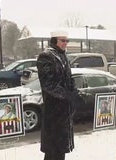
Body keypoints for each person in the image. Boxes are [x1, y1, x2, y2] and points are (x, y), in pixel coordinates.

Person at [37, 30, 77, 160]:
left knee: (61, 149)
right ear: (54, 41)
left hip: (64, 111)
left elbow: (69, 78)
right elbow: (48, 84)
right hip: (54, 111)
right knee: (52, 150)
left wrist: (74, 92)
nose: (66, 43)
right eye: (63, 40)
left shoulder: (63, 56)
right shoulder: (46, 56)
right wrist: (66, 95)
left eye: (67, 41)